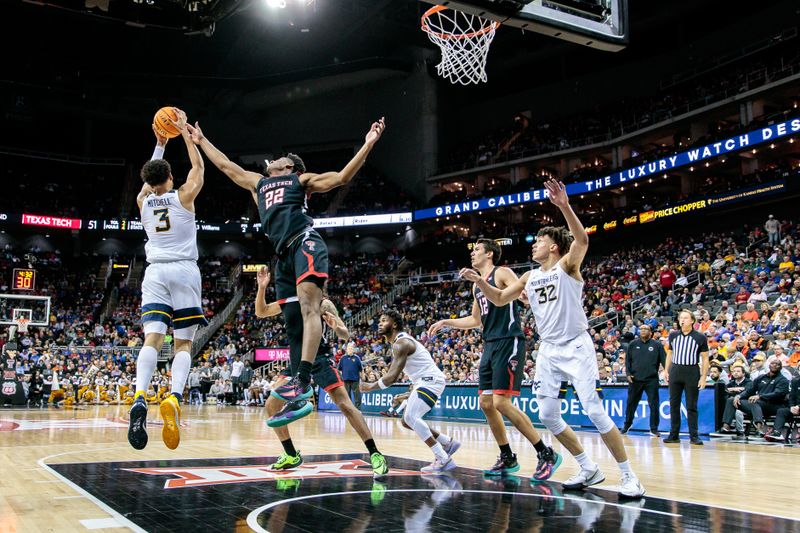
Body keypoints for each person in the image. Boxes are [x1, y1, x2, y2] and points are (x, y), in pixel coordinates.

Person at [187, 117, 385, 417]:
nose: (273, 158)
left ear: (290, 168)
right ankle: (299, 382)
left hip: (304, 242)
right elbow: (227, 166)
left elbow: (342, 177)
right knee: (294, 312)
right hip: (281, 255)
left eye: (280, 158)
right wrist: (202, 141)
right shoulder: (259, 183)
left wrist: (368, 144)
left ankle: (303, 379)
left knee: (309, 307)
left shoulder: (301, 181)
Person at [462, 179, 645, 498]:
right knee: (547, 414)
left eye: (539, 240)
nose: (533, 245)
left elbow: (582, 239)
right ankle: (587, 467)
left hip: (576, 345)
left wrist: (563, 206)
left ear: (553, 246)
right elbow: (502, 299)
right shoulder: (529, 277)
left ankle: (630, 476)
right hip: (548, 350)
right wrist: (481, 282)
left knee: (594, 411)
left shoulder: (567, 267)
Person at [429, 238, 562, 482]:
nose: (473, 253)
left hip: (509, 340)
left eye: (477, 249)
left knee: (501, 402)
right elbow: (475, 320)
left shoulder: (502, 273)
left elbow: (520, 294)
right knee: (487, 404)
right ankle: (507, 456)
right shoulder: (476, 287)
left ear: (489, 254)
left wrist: (523, 296)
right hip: (490, 343)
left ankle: (546, 452)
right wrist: (446, 322)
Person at [254, 266, 389, 479]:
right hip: (296, 361)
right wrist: (262, 288)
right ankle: (290, 454)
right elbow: (260, 312)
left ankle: (375, 454)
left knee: (345, 405)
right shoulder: (288, 301)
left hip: (319, 359)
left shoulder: (323, 302)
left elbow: (345, 335)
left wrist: (336, 327)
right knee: (271, 404)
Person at [128, 108, 207, 451]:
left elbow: (148, 179)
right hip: (184, 270)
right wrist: (187, 135)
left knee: (151, 340)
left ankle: (139, 396)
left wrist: (160, 145)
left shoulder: (143, 202)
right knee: (184, 344)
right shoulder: (183, 197)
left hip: (155, 271)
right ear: (171, 177)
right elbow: (199, 169)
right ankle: (174, 396)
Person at [362, 310, 461, 473]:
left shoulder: (402, 343)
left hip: (429, 380)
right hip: (425, 381)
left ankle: (442, 457)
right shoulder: (398, 343)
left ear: (394, 325)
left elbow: (391, 378)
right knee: (406, 421)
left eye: (384, 320)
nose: (379, 323)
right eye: (379, 321)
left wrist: (368, 387)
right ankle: (448, 442)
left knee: (411, 417)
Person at [663, 310, 709, 445]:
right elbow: (670, 354)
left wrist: (703, 377)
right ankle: (674, 434)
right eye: (681, 317)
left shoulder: (700, 337)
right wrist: (666, 370)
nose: (682, 320)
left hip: (691, 371)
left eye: (685, 318)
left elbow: (705, 358)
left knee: (691, 405)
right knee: (674, 404)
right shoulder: (673, 335)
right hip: (676, 370)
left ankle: (694, 435)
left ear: (692, 321)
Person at [719, 359, 789, 437]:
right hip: (757, 405)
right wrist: (739, 396)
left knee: (754, 401)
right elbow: (750, 390)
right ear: (769, 365)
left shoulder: (783, 380)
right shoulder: (761, 377)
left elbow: (777, 394)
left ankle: (759, 428)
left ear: (781, 367)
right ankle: (726, 427)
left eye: (777, 364)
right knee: (731, 400)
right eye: (773, 363)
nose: (775, 365)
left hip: (774, 405)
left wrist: (760, 396)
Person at [622, 324, 665, 436]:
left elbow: (664, 361)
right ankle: (627, 425)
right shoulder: (633, 344)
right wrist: (628, 373)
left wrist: (667, 373)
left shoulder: (657, 345)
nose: (643, 331)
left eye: (646, 329)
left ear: (651, 332)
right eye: (641, 329)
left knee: (654, 404)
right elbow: (628, 361)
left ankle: (654, 428)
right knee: (631, 403)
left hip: (651, 379)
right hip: (635, 379)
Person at [765, 371, 800, 442]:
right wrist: (791, 407)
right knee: (781, 411)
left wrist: (799, 407)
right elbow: (791, 397)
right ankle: (777, 433)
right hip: (795, 408)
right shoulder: (795, 381)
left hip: (798, 407)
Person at [338, 343, 363, 409]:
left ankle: (358, 409)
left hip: (355, 380)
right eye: (349, 348)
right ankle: (349, 409)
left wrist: (362, 378)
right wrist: (340, 378)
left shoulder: (357, 358)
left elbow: (361, 369)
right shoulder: (343, 358)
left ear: (353, 350)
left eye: (351, 348)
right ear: (346, 350)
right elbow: (339, 369)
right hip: (345, 380)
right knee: (347, 396)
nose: (350, 350)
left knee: (357, 395)